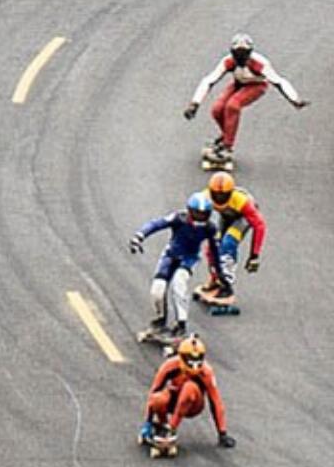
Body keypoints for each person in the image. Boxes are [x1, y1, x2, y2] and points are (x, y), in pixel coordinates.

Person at [182, 34, 307, 168]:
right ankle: (224, 138)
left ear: (250, 53)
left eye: (244, 54)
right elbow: (209, 80)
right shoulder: (228, 61)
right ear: (232, 53)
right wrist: (195, 104)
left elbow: (279, 81)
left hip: (257, 86)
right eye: (237, 54)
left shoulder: (259, 64)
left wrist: (294, 99)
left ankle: (227, 147)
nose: (241, 58)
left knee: (233, 106)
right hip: (238, 84)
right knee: (217, 109)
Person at [131, 194, 223, 342]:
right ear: (190, 211)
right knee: (157, 289)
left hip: (189, 258)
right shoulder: (179, 218)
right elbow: (156, 224)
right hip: (170, 255)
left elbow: (215, 250)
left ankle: (181, 325)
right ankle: (159, 321)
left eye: (204, 214)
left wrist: (219, 272)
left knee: (179, 284)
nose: (200, 218)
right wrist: (139, 237)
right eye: (197, 214)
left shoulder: (210, 228)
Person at [140, 333, 236, 450]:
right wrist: (148, 422)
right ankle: (162, 426)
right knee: (158, 399)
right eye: (190, 361)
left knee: (189, 387)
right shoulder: (169, 366)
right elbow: (153, 393)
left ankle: (171, 428)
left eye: (198, 360)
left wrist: (222, 433)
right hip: (174, 398)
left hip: (193, 403)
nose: (194, 366)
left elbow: (215, 401)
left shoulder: (206, 373)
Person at [199, 169, 266, 307]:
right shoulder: (204, 198)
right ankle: (214, 279)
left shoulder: (243, 201)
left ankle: (226, 286)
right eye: (216, 195)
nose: (219, 198)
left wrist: (254, 255)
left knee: (229, 243)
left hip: (242, 217)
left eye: (223, 196)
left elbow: (259, 226)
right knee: (213, 244)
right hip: (224, 216)